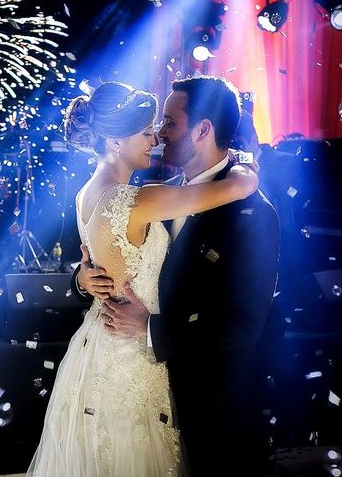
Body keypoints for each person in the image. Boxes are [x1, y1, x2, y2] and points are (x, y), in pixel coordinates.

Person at [28, 81, 259, 476]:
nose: (155, 137)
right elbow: (241, 187)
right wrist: (247, 163)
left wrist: (85, 279)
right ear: (116, 140)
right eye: (148, 130)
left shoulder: (90, 192)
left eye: (161, 125)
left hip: (100, 347)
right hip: (131, 356)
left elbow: (96, 260)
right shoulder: (136, 199)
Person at [83, 77, 280, 476]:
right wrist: (82, 278)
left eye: (170, 123)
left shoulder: (254, 215)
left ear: (203, 130)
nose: (158, 135)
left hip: (209, 403)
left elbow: (243, 325)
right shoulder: (157, 194)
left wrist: (150, 329)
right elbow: (117, 256)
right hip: (141, 391)